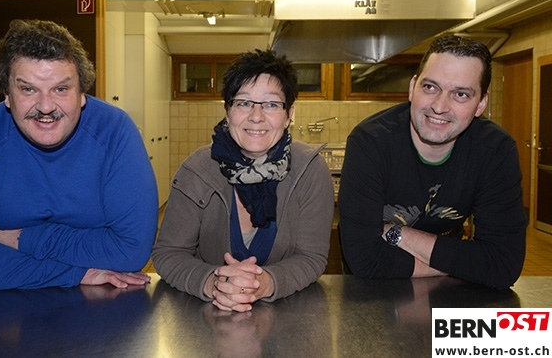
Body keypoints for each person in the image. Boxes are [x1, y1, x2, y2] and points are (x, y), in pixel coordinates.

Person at [0, 19, 159, 292]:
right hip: (4, 311)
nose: (45, 107)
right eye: (28, 89)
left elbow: (131, 252)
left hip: (102, 306)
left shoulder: (114, 132)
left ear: (82, 93)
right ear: (7, 94)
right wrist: (77, 272)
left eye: (60, 89)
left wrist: (19, 238)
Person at [338, 34, 528, 290]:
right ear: (412, 87)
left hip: (449, 295)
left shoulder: (495, 151)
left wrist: (397, 234)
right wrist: (465, 264)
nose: (439, 106)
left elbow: (503, 265)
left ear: (481, 103)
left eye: (460, 94)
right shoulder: (370, 142)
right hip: (374, 292)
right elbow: (364, 260)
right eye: (430, 87)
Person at [151, 49, 335, 312]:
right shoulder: (197, 170)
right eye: (244, 102)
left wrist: (267, 283)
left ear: (289, 114)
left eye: (271, 104)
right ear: (228, 111)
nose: (256, 116)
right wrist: (213, 282)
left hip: (289, 318)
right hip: (203, 320)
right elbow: (168, 253)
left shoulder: (310, 170)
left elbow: (311, 257)